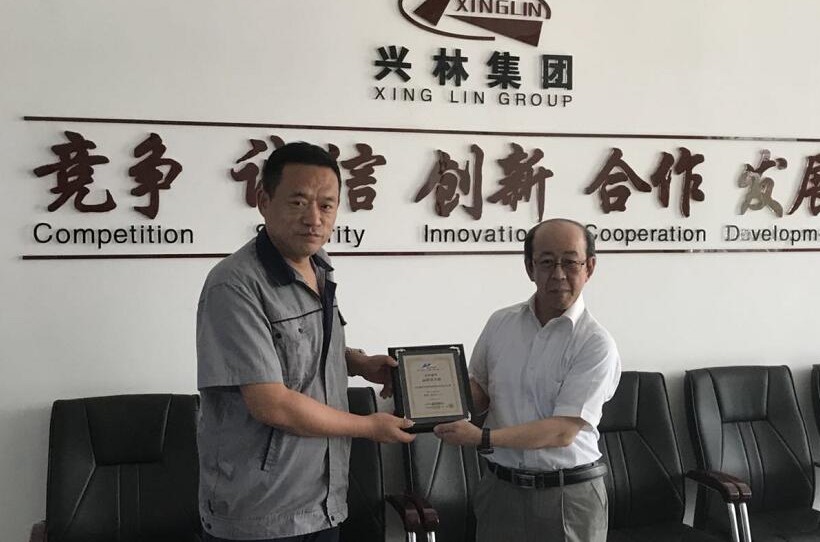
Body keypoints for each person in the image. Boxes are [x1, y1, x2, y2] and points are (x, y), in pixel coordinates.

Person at [196, 142, 415, 542]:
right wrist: (368, 426)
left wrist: (357, 363)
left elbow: (302, 349)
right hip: (262, 512)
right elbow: (271, 403)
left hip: (322, 500)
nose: (314, 218)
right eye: (298, 202)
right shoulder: (235, 284)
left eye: (326, 205)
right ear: (264, 201)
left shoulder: (319, 266)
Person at [435, 218, 621, 542]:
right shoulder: (500, 323)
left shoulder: (595, 343)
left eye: (570, 262)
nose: (558, 274)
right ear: (529, 268)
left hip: (567, 496)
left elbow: (562, 430)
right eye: (547, 262)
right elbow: (479, 391)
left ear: (589, 267)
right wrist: (424, 390)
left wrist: (483, 438)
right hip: (500, 490)